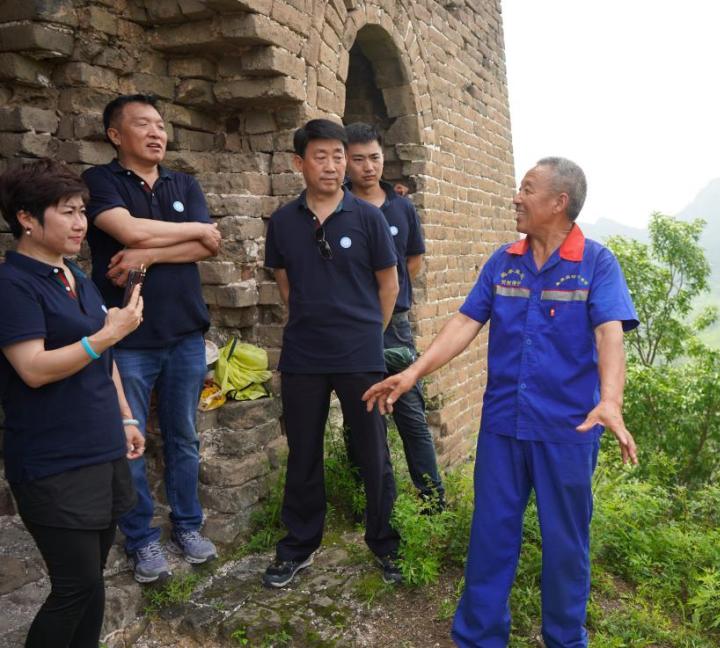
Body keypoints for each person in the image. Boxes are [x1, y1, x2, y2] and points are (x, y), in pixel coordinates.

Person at [364, 157, 639, 647]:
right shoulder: (503, 261)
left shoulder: (596, 263)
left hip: (567, 431)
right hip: (503, 427)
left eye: (527, 189)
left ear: (559, 203)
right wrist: (412, 372)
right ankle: (478, 637)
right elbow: (465, 324)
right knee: (490, 537)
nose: (516, 197)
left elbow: (609, 332)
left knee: (565, 544)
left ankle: (564, 639)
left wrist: (611, 401)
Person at [0, 159, 144, 647]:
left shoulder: (74, 276)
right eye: (67, 212)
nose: (81, 223)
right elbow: (33, 369)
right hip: (53, 460)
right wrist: (107, 336)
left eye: (83, 211)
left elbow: (105, 357)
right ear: (26, 217)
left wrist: (125, 415)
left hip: (101, 446)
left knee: (92, 582)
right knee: (72, 586)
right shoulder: (12, 284)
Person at [82, 94, 221, 583]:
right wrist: (189, 232)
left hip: (185, 332)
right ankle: (141, 540)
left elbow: (211, 244)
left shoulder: (184, 182)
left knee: (184, 436)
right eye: (143, 124)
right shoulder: (100, 182)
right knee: (131, 441)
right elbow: (126, 227)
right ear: (116, 135)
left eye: (160, 124)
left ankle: (187, 526)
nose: (156, 132)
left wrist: (149, 255)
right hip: (129, 338)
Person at [262, 119, 402, 587]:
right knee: (303, 451)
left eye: (338, 156)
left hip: (360, 355)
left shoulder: (368, 218)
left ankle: (385, 544)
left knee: (373, 451)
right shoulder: (283, 222)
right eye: (320, 156)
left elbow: (390, 283)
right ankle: (298, 546)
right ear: (299, 163)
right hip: (303, 355)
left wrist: (366, 335)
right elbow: (286, 285)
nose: (332, 165)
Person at [344, 122, 444, 508]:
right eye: (358, 160)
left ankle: (433, 500)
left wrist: (389, 294)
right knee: (361, 417)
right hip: (352, 327)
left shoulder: (402, 206)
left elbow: (413, 262)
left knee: (410, 414)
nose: (368, 167)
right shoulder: (340, 206)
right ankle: (364, 499)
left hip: (396, 328)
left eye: (375, 158)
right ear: (346, 162)